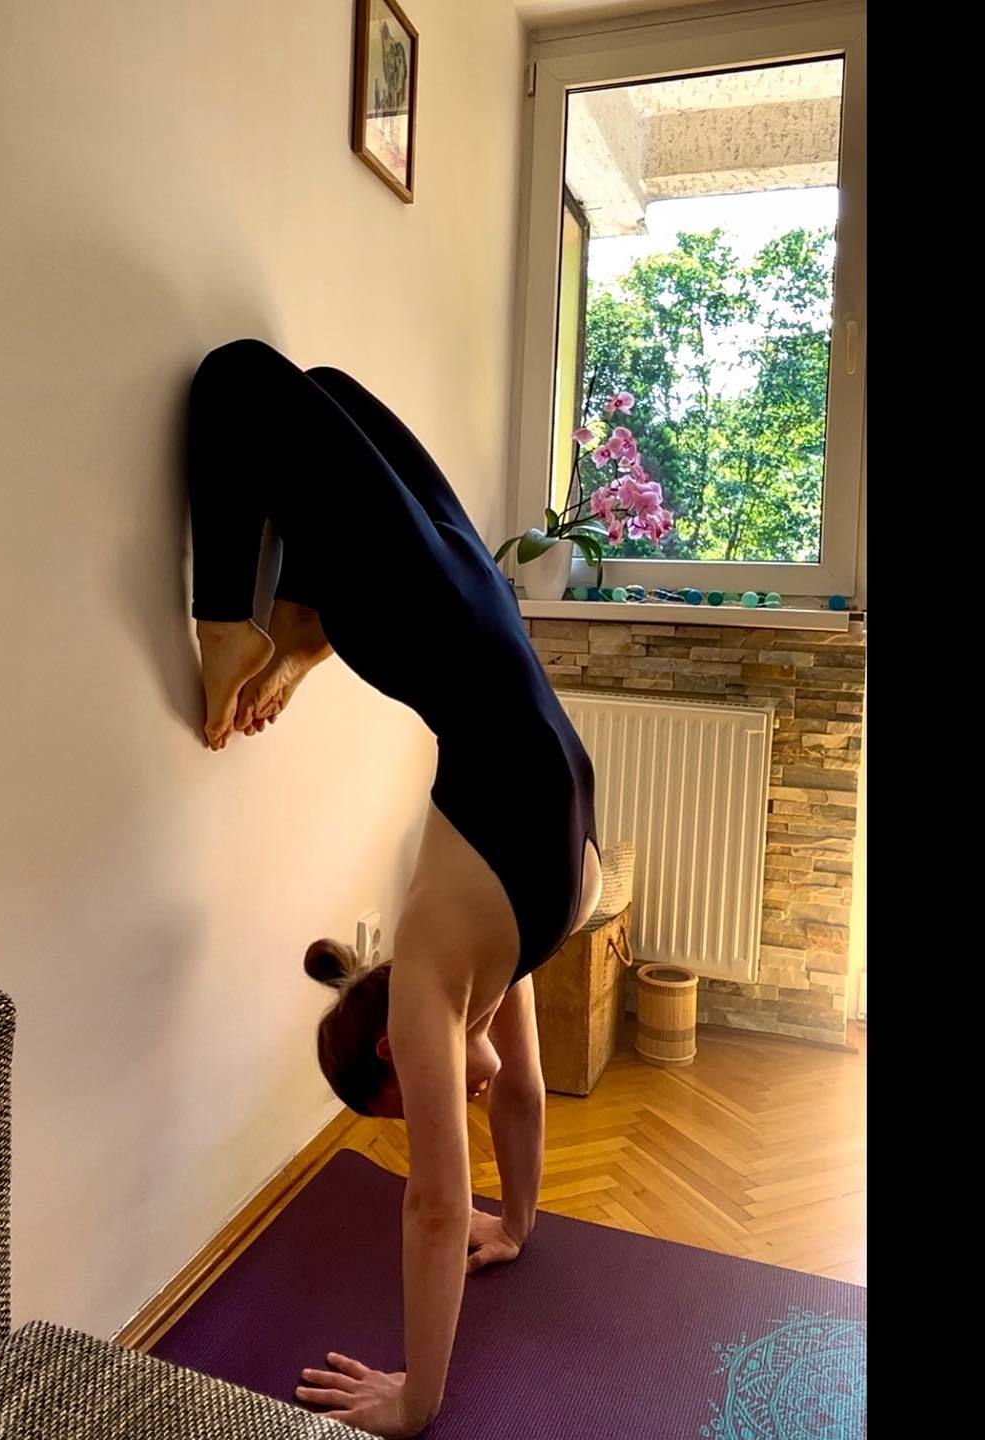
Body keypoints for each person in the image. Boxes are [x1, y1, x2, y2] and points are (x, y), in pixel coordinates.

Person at [189, 339, 601, 1437]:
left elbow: (430, 1207)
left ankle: (236, 621)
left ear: (392, 1049)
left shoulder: (432, 977)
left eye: (421, 1100)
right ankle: (308, 618)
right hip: (476, 620)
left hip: (435, 629)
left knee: (241, 380)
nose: (445, 1106)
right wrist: (516, 1222)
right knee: (326, 396)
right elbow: (522, 1092)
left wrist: (417, 1399)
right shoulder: (491, 967)